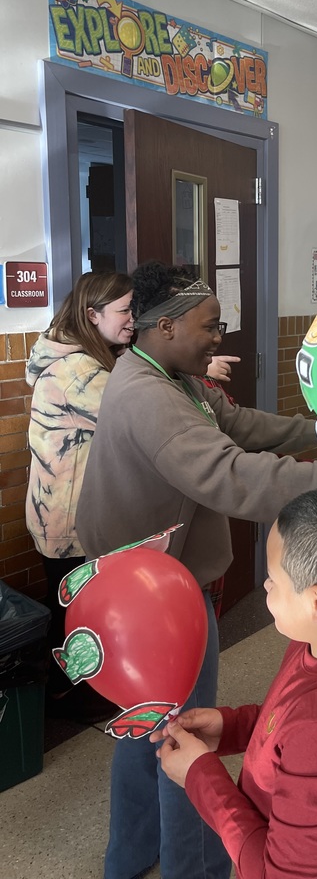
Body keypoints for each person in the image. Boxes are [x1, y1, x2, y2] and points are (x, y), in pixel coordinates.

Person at [76, 261, 317, 879]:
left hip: (164, 583)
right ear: (167, 326)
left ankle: (129, 857)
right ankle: (192, 867)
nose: (219, 338)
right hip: (152, 606)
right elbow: (228, 473)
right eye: (210, 326)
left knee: (151, 726)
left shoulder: (176, 379)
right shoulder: (146, 395)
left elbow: (239, 426)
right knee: (176, 740)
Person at [152, 488, 317, 879]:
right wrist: (231, 727)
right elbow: (290, 725)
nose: (265, 588)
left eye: (272, 580)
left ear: (316, 603)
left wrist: (200, 775)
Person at [25, 270, 134, 722]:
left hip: (60, 513)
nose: (133, 319)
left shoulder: (83, 355)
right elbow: (136, 416)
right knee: (76, 616)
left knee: (71, 609)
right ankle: (69, 697)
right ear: (92, 316)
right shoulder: (77, 372)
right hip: (68, 522)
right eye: (125, 310)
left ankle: (69, 691)